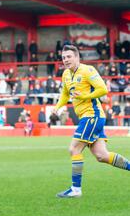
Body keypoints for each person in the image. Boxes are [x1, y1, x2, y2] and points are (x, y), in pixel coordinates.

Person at [53, 45, 130, 198]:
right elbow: (65, 94)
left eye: (69, 56)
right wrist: (57, 106)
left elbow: (103, 90)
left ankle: (76, 190)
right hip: (87, 117)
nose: (66, 60)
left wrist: (84, 96)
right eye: (64, 57)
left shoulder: (88, 70)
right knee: (102, 155)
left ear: (77, 57)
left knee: (74, 149)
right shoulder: (66, 75)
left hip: (92, 116)